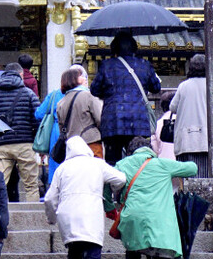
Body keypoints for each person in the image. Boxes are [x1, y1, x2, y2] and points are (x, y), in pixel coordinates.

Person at [111, 137, 198, 259]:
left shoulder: (122, 164)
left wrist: (108, 206)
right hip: (159, 222)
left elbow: (109, 182)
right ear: (150, 150)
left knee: (132, 248)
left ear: (130, 151)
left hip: (133, 218)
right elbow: (192, 168)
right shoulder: (162, 164)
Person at [44, 136, 127, 259]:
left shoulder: (62, 168)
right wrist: (111, 190)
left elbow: (49, 198)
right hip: (91, 216)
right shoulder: (97, 164)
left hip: (68, 217)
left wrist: (52, 218)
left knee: (74, 252)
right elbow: (121, 179)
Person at [90, 32, 162, 164]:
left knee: (113, 161)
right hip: (138, 120)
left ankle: (115, 184)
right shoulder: (144, 65)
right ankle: (136, 183)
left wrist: (108, 94)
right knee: (139, 159)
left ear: (114, 48)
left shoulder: (107, 65)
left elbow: (94, 90)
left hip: (113, 120)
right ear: (134, 47)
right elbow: (156, 87)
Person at [0, 63, 40, 202]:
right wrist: (36, 142)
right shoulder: (28, 93)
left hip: (1, 145)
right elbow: (37, 119)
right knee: (31, 186)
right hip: (25, 144)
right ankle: (32, 220)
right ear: (21, 75)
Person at [170, 54, 210, 177]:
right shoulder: (211, 85)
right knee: (206, 175)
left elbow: (172, 107)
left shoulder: (184, 86)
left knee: (187, 177)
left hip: (186, 138)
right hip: (206, 138)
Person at [57, 64, 104, 158]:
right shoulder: (88, 95)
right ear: (74, 79)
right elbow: (100, 119)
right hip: (91, 143)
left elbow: (61, 127)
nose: (85, 78)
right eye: (81, 76)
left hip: (72, 146)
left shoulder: (61, 102)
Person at [152, 92, 175, 161]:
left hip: (163, 162)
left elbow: (154, 149)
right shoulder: (183, 121)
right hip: (182, 163)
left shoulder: (157, 124)